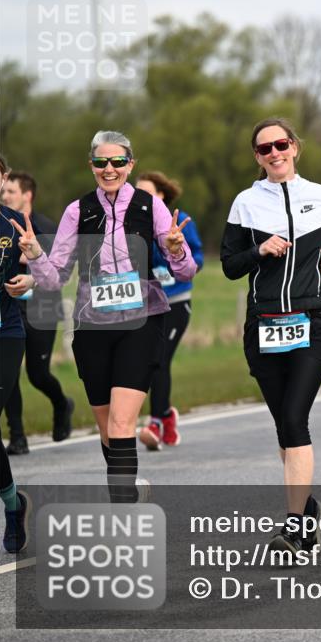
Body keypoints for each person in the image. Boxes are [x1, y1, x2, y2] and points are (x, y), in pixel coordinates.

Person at [13, 131, 196, 503]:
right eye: (100, 162)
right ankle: (127, 488)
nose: (109, 169)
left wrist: (176, 250)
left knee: (122, 422)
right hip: (92, 325)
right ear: (91, 166)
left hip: (141, 321)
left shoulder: (149, 206)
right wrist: (34, 253)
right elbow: (55, 277)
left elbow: (186, 272)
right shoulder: (77, 211)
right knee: (107, 428)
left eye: (117, 161)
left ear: (130, 164)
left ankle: (123, 513)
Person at [221, 118, 321, 556]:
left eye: (281, 144)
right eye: (264, 149)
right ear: (256, 158)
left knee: (295, 420)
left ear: (295, 147)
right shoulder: (245, 203)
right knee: (285, 428)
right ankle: (309, 506)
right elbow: (229, 265)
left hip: (314, 322)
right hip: (263, 326)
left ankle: (296, 528)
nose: (274, 153)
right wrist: (259, 249)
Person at [0, 171, 75, 452]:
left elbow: (57, 265)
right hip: (10, 308)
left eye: (11, 192)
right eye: (4, 192)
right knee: (7, 373)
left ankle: (62, 404)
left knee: (37, 374)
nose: (5, 196)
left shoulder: (45, 226)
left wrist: (29, 255)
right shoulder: (3, 225)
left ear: (27, 195)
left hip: (42, 309)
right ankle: (17, 436)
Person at [135, 171, 203, 450]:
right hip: (148, 304)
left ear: (161, 195)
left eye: (147, 192)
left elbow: (197, 257)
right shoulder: (135, 223)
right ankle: (167, 417)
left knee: (160, 360)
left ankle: (156, 422)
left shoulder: (181, 220)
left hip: (176, 302)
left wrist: (176, 262)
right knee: (151, 361)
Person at [0, 152, 33, 552]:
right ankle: (12, 503)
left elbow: (40, 274)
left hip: (4, 331)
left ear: (2, 178)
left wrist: (30, 280)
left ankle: (10, 505)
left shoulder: (12, 222)